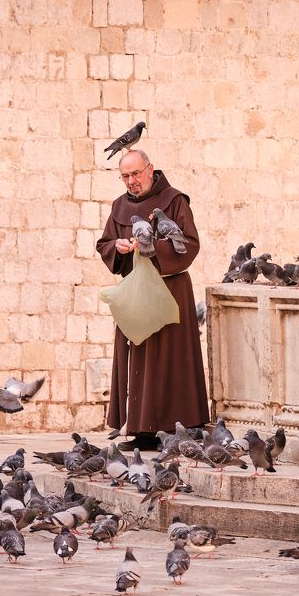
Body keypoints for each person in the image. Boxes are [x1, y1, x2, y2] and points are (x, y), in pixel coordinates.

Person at [96, 150, 210, 451]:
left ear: (150, 170)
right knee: (138, 357)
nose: (131, 181)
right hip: (136, 291)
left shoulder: (174, 201)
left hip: (170, 290)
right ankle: (141, 430)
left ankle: (180, 426)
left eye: (135, 174)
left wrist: (151, 248)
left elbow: (189, 243)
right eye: (125, 176)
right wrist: (118, 246)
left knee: (170, 359)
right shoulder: (119, 206)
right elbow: (104, 242)